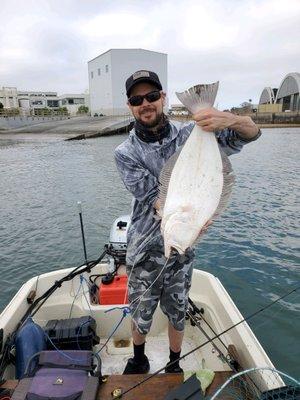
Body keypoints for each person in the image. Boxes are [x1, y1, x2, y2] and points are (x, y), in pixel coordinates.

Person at [114, 70, 261, 374]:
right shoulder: (125, 153)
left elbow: (250, 134)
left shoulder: (189, 132)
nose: (146, 103)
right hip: (144, 247)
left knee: (178, 309)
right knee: (141, 310)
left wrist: (226, 118)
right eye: (137, 99)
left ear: (163, 98)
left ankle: (174, 362)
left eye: (152, 96)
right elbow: (156, 198)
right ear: (130, 106)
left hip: (183, 243)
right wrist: (195, 215)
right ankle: (138, 357)